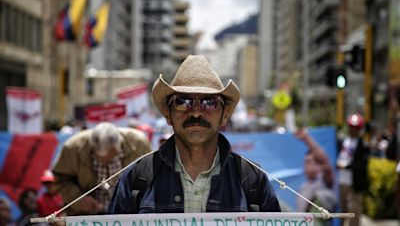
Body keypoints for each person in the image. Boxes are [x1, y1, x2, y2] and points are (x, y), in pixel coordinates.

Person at [108, 55, 281, 213]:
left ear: (224, 116)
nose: (196, 112)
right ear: (168, 114)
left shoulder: (252, 181)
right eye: (183, 101)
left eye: (209, 102)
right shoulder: (137, 179)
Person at [52, 122, 152, 215]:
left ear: (117, 148)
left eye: (110, 159)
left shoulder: (139, 145)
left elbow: (151, 178)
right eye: (99, 159)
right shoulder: (73, 148)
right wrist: (79, 199)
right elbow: (60, 179)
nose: (104, 163)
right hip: (88, 216)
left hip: (128, 215)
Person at [295, 128, 336, 226]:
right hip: (301, 222)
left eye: (309, 162)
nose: (306, 166)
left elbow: (325, 161)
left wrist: (306, 138)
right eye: (305, 162)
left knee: (322, 195)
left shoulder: (324, 180)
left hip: (316, 223)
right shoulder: (303, 187)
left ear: (319, 165)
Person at [336, 113, 369, 226]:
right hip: (341, 181)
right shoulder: (342, 141)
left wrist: (345, 166)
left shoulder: (363, 144)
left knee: (354, 211)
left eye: (356, 128)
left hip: (355, 183)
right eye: (351, 127)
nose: (353, 130)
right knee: (341, 212)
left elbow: (362, 164)